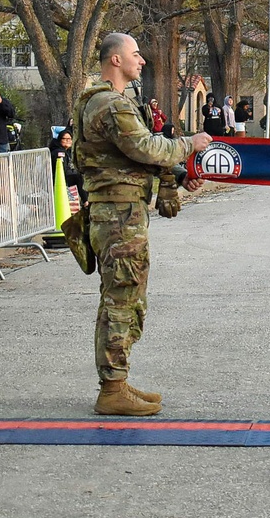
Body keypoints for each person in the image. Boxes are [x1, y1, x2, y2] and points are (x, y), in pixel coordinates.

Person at [73, 32, 212, 417]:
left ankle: (117, 380)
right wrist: (190, 144)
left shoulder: (109, 102)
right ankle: (112, 389)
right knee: (122, 299)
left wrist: (179, 178)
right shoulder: (109, 104)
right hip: (117, 217)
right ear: (115, 60)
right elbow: (147, 148)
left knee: (125, 297)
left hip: (120, 211)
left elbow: (130, 161)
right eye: (135, 54)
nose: (142, 60)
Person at [48, 128, 86, 203]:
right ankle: (86, 201)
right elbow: (62, 169)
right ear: (60, 140)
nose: (68, 141)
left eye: (70, 139)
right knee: (79, 177)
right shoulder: (59, 152)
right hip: (59, 179)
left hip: (64, 178)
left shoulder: (66, 151)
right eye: (65, 139)